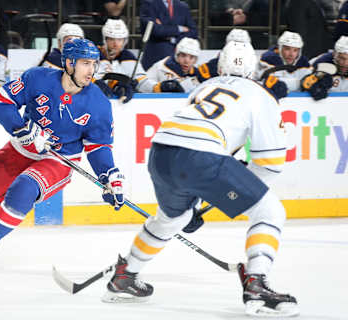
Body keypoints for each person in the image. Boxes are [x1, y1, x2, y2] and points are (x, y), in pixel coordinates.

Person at [103, 41, 299, 317]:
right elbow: (271, 162)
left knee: (175, 217)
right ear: (254, 71)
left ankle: (126, 275)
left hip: (161, 151)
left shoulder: (205, 86)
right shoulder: (260, 94)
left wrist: (204, 199)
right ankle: (256, 284)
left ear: (219, 66)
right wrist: (227, 196)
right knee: (270, 210)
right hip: (200, 156)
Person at [0, 38, 126, 269]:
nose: (91, 70)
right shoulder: (38, 78)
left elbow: (98, 146)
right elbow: (0, 102)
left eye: (94, 64)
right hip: (20, 148)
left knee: (24, 187)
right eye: (85, 63)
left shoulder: (99, 104)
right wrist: (22, 130)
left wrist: (109, 174)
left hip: (59, 160)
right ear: (69, 63)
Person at [94, 19, 183, 103]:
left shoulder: (127, 57)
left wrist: (160, 87)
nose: (116, 44)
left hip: (122, 103)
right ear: (105, 39)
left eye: (120, 40)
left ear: (125, 41)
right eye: (111, 39)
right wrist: (114, 84)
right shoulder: (93, 54)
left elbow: (142, 82)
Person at [140, 0, 198, 70]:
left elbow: (193, 32)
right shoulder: (149, 3)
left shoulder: (183, 6)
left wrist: (174, 39)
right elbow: (156, 30)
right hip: (156, 57)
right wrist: (180, 28)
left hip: (178, 60)